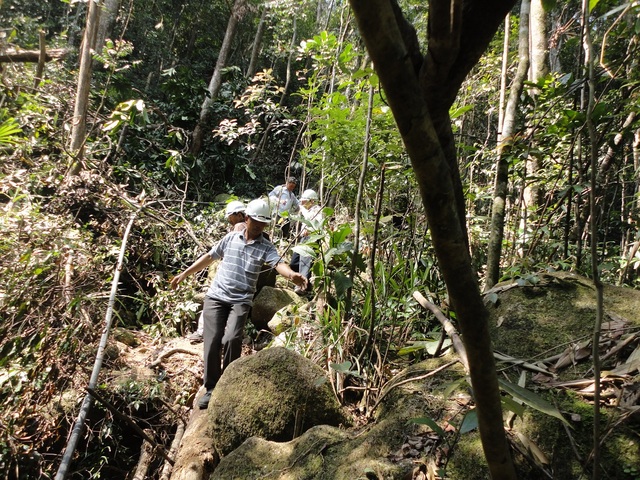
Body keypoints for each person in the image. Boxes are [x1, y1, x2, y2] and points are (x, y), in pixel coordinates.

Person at [171, 199, 308, 409]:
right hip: (217, 296)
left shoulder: (266, 246)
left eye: (263, 225)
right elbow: (209, 257)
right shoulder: (230, 238)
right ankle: (211, 388)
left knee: (233, 338)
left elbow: (279, 264)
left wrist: (292, 275)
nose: (259, 228)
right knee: (213, 339)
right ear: (247, 218)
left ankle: (228, 382)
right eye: (256, 223)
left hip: (241, 300)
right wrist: (184, 274)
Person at [187, 200, 248, 344]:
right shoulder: (249, 229)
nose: (229, 219)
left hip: (230, 275)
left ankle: (202, 332)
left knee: (212, 300)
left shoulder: (240, 226)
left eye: (230, 216)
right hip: (241, 279)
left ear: (239, 215)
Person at [290, 189, 323, 294]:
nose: (302, 203)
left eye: (304, 201)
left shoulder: (317, 210)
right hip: (303, 239)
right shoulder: (307, 211)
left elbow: (314, 222)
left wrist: (302, 209)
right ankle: (302, 284)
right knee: (294, 262)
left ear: (312, 201)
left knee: (305, 262)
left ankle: (302, 287)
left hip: (311, 239)